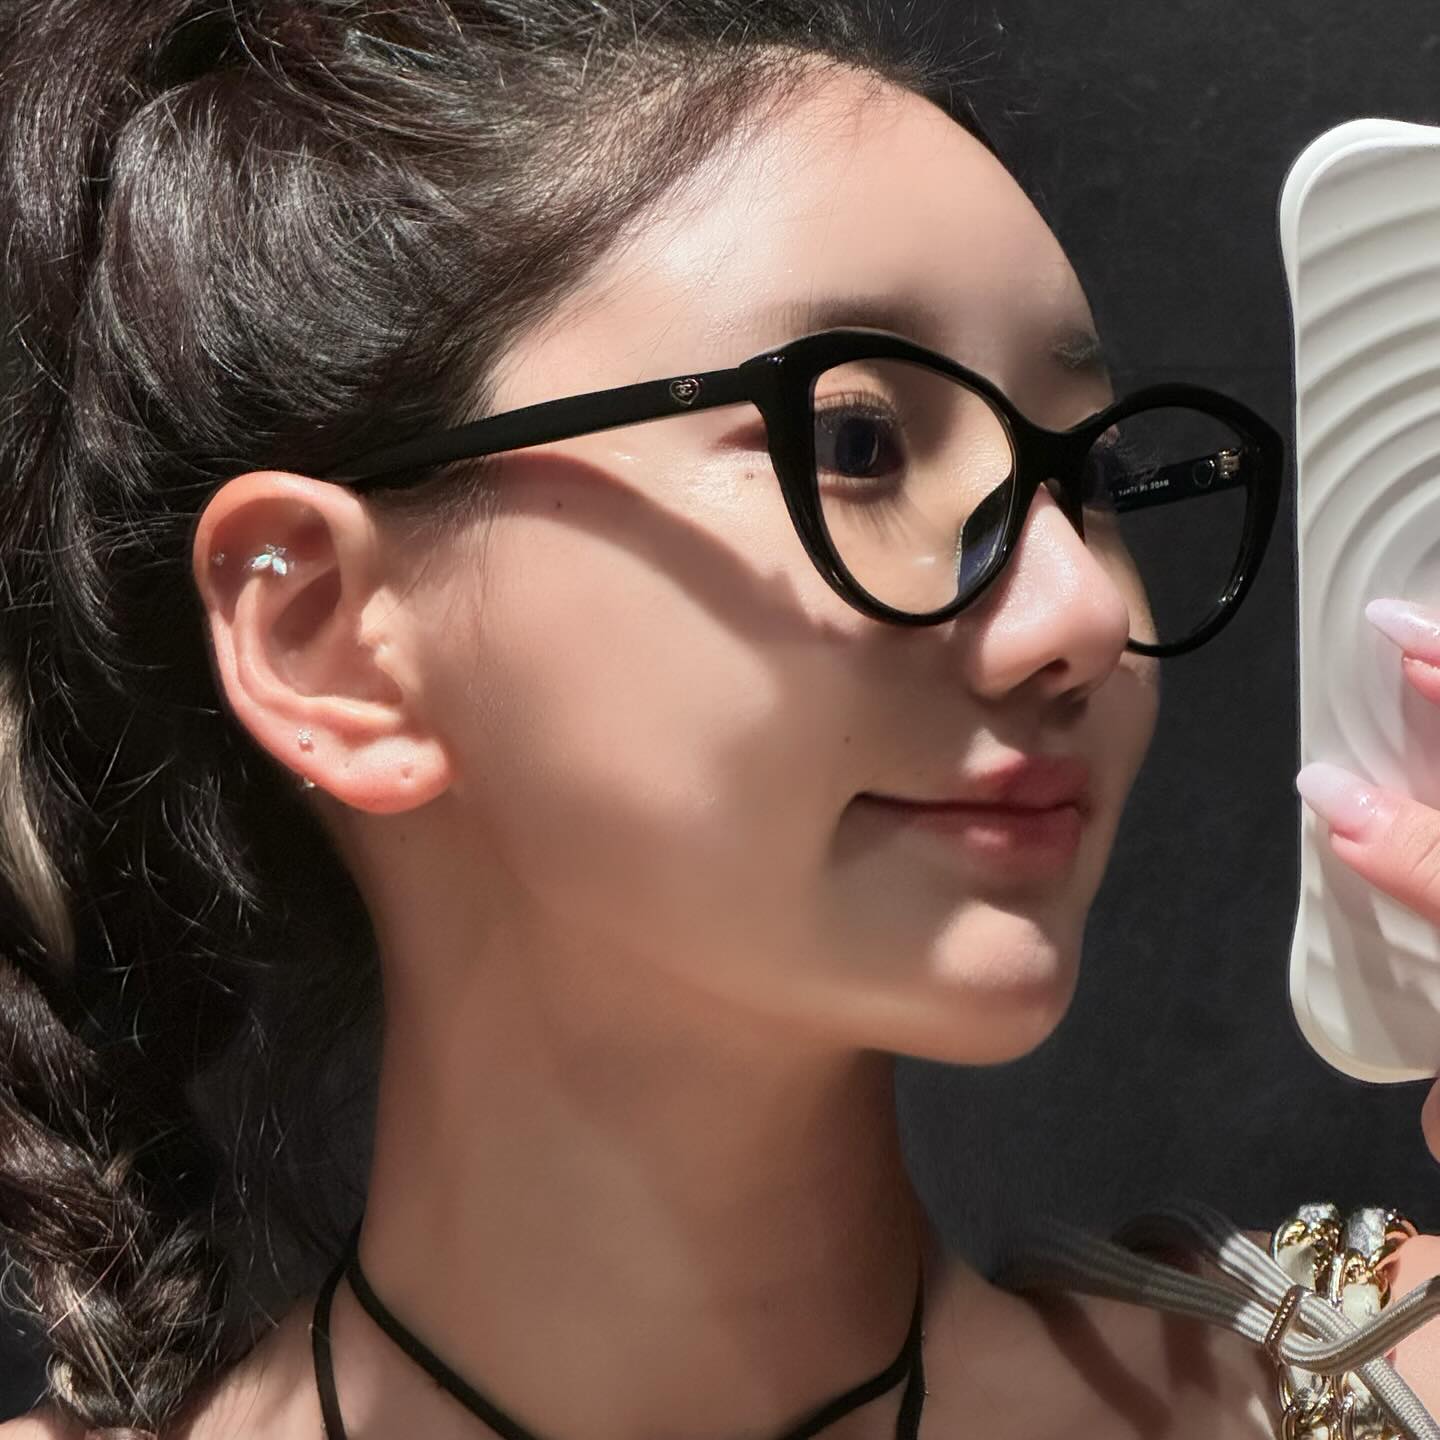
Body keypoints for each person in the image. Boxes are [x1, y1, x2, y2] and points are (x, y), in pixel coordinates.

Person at [2, 2, 1439, 1438]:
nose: (1080, 613)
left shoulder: (1366, 1390)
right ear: (326, 638)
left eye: (1092, 484)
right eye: (858, 441)